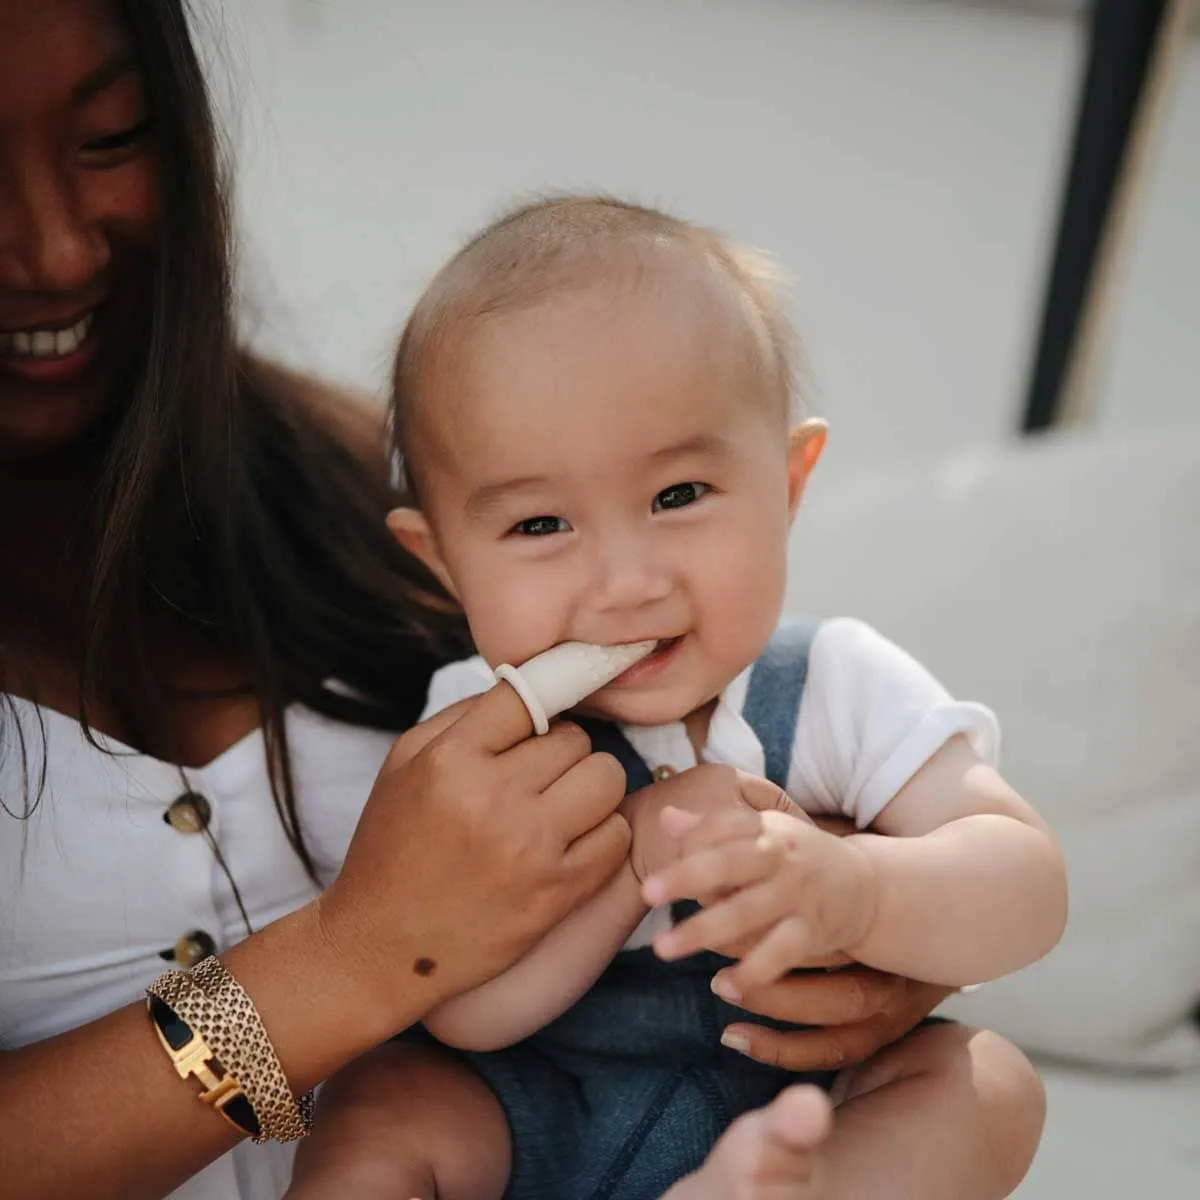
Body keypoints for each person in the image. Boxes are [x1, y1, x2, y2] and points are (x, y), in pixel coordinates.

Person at [0, 5, 959, 1199]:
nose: (53, 251)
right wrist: (347, 967)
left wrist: (874, 926)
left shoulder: (384, 493)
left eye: (113, 138)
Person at [285, 197, 1065, 1200]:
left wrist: (857, 887)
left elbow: (1028, 889)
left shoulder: (833, 681)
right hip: (537, 1109)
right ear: (442, 563)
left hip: (797, 1109)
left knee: (987, 1082)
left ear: (789, 484)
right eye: (538, 525)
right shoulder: (474, 732)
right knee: (382, 1104)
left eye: (678, 497)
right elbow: (468, 1013)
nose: (625, 583)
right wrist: (630, 862)